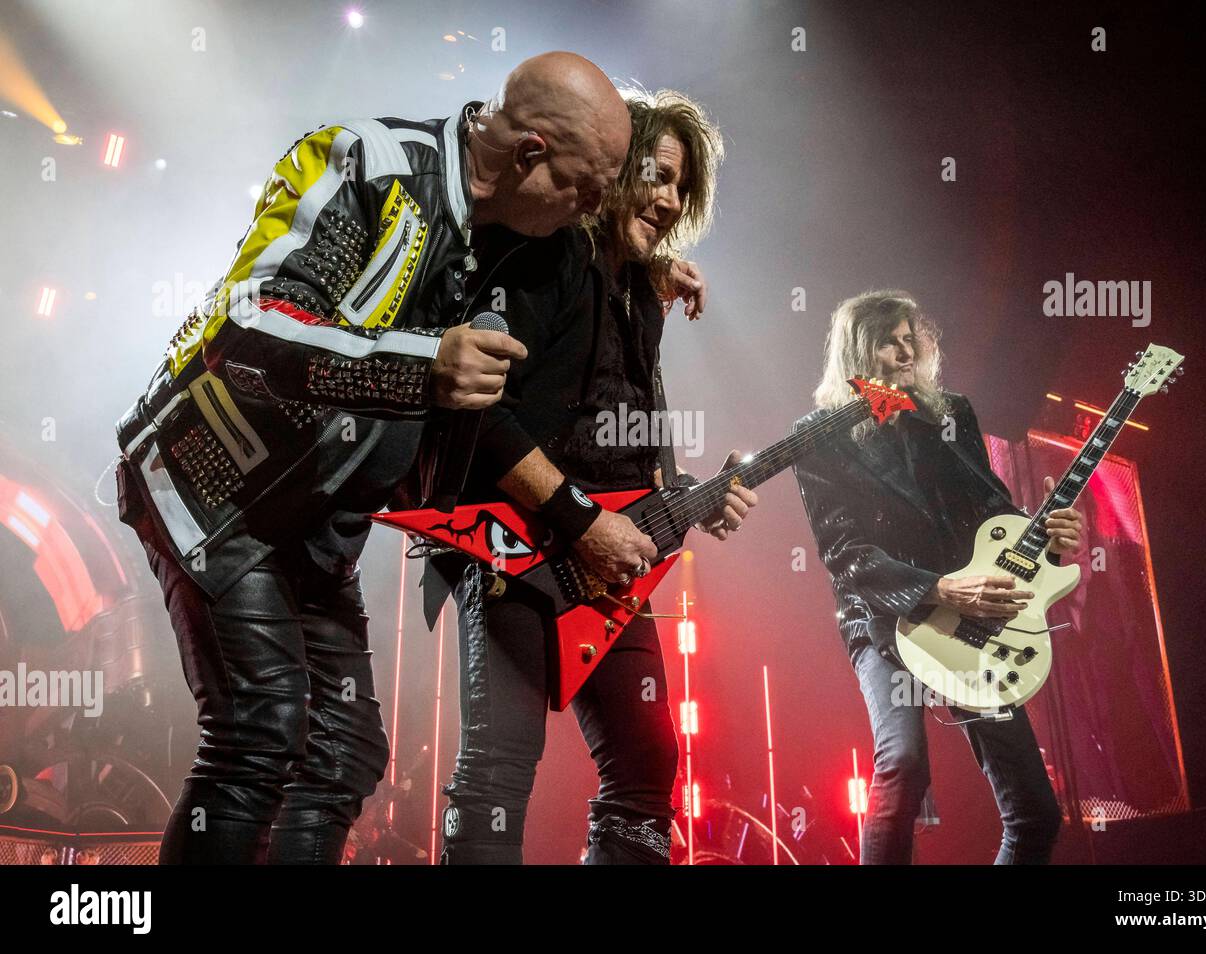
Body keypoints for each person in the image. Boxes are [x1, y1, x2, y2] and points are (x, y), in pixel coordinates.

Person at [113, 52, 632, 864]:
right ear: (530, 152)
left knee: (345, 753)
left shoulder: (512, 238)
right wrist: (422, 363)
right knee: (260, 730)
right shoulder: (367, 162)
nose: (592, 209)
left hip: (314, 524)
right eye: (587, 186)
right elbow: (247, 326)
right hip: (214, 493)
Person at [419, 89, 756, 864]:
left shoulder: (643, 292)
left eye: (682, 186)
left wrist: (694, 494)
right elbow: (479, 415)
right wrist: (583, 522)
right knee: (500, 770)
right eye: (656, 175)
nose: (670, 200)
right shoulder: (547, 258)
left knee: (648, 765)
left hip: (600, 561)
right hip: (514, 547)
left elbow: (609, 440)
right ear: (607, 168)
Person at [793, 290, 1084, 864]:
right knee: (902, 764)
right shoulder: (820, 433)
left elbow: (992, 512)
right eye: (888, 341)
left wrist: (1044, 533)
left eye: (911, 339)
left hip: (969, 619)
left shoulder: (951, 413)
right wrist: (936, 587)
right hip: (883, 615)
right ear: (858, 351)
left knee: (1036, 810)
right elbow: (845, 553)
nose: (906, 352)